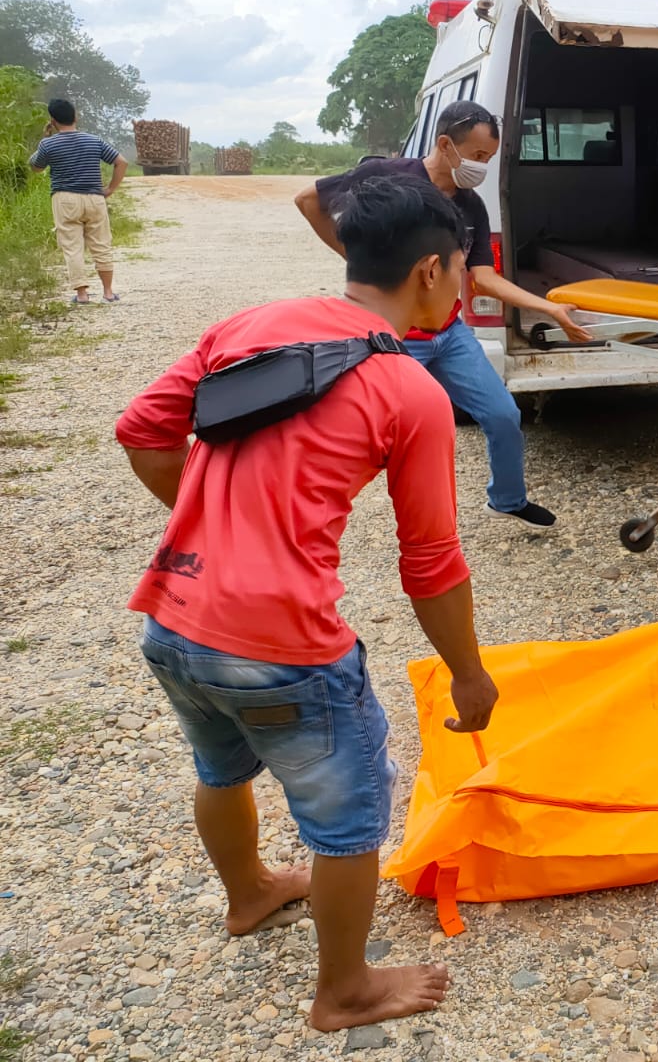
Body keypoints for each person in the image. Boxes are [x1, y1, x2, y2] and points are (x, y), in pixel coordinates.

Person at [115, 175, 500, 1031]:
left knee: (220, 767)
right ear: (432, 271)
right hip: (280, 647)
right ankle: (345, 989)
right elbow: (432, 561)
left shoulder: (251, 324)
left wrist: (215, 529)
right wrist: (468, 675)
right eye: (463, 270)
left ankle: (249, 894)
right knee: (351, 805)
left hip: (172, 620)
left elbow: (142, 428)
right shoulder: (411, 392)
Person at [296, 100, 592, 526]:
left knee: (504, 414)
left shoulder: (470, 205)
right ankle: (310, 512)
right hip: (394, 338)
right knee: (369, 434)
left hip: (449, 334)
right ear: (444, 144)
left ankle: (507, 499)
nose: (482, 167)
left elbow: (484, 278)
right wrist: (355, 256)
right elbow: (308, 200)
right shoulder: (389, 176)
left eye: (488, 159)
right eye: (476, 156)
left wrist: (548, 307)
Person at [28, 97, 127, 305]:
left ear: (53, 120)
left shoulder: (48, 144)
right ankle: (108, 292)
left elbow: (36, 167)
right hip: (94, 198)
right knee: (101, 244)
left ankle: (82, 295)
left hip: (65, 199)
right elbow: (121, 162)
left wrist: (46, 138)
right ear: (76, 116)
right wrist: (109, 189)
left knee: (72, 247)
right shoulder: (94, 140)